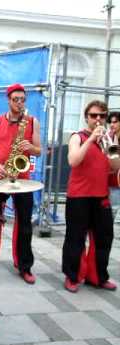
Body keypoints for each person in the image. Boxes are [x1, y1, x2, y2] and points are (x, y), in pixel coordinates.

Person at [0, 83, 41, 285]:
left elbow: (39, 151)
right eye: (16, 99)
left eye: (22, 99)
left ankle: (24, 266)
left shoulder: (32, 121)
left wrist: (31, 147)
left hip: (22, 180)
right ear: (8, 100)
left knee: (24, 225)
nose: (20, 103)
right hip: (0, 177)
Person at [62, 100, 117, 293]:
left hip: (100, 196)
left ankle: (98, 277)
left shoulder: (108, 139)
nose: (98, 119)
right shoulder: (78, 137)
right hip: (79, 196)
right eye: (94, 115)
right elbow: (73, 161)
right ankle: (73, 276)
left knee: (104, 238)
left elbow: (114, 168)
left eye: (102, 116)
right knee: (75, 238)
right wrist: (92, 139)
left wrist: (114, 147)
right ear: (87, 117)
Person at [107, 111, 120, 222]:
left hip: (117, 182)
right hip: (109, 180)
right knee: (109, 212)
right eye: (110, 122)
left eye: (115, 122)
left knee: (113, 210)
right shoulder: (108, 138)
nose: (112, 125)